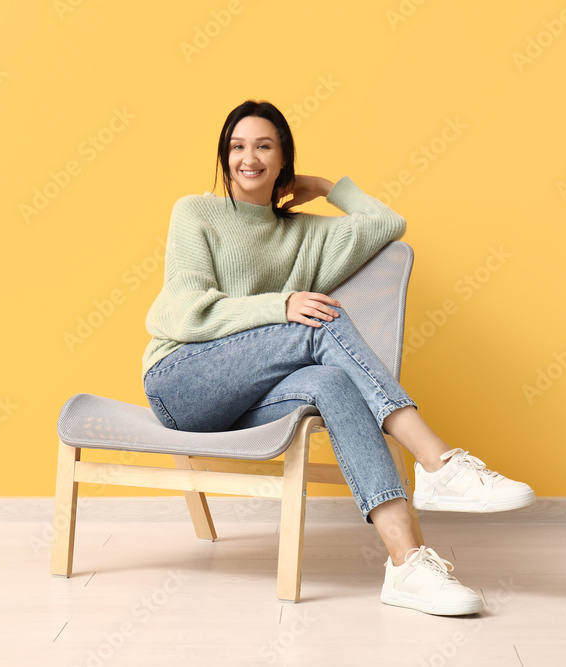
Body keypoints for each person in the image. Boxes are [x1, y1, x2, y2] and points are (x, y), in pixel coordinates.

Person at [141, 100, 535, 616]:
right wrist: (281, 304)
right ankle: (438, 462)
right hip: (182, 383)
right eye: (237, 147)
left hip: (251, 401)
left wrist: (328, 187)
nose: (248, 158)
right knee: (320, 319)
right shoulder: (196, 212)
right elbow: (183, 313)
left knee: (332, 383)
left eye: (263, 146)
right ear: (224, 156)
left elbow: (387, 223)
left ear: (284, 160)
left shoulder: (305, 234)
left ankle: (407, 565)